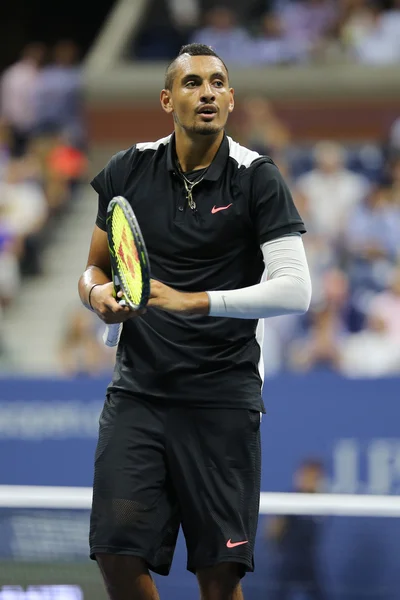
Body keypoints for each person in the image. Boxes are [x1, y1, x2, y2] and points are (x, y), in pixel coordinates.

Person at [78, 43, 311, 600]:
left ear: (229, 98)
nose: (206, 92)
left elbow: (296, 290)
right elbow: (92, 267)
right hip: (139, 393)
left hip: (221, 401)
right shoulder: (127, 169)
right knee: (115, 552)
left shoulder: (257, 177)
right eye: (191, 83)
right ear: (167, 98)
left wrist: (193, 301)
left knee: (218, 577)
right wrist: (97, 296)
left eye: (216, 82)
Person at [266, 460, 326, 600]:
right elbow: (272, 530)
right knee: (278, 595)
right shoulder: (289, 501)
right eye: (308, 476)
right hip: (288, 560)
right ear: (300, 476)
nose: (312, 480)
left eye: (316, 477)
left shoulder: (321, 503)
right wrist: (278, 551)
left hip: (309, 561)